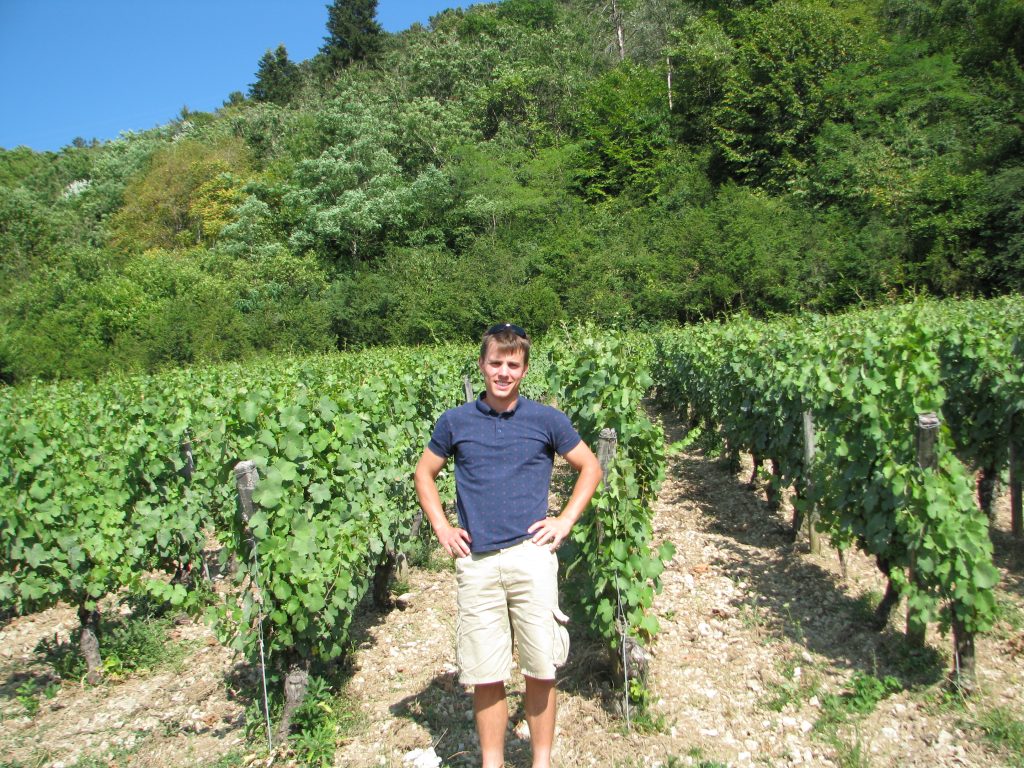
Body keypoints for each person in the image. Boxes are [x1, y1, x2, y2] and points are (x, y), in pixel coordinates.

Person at [414, 323, 603, 768]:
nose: (503, 372)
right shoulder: (455, 422)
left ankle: (541, 762)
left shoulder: (546, 419)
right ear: (482, 365)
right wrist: (441, 526)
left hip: (531, 557)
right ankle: (493, 763)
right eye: (496, 363)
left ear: (524, 369)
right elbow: (424, 473)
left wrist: (565, 520)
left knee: (541, 668)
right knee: (486, 674)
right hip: (477, 562)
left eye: (512, 365)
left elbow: (590, 466)